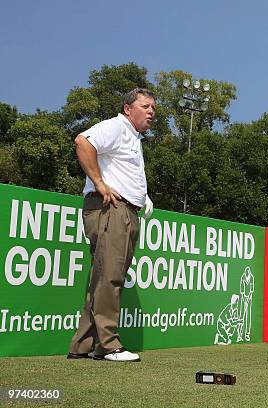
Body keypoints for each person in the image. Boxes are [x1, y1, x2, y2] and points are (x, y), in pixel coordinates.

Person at [67, 88, 156, 362]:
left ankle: (83, 345)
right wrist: (100, 183)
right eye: (146, 106)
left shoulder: (134, 138)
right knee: (110, 277)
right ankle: (108, 345)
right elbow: (83, 142)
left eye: (153, 107)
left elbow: (123, 170)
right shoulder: (117, 126)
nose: (152, 111)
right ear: (128, 109)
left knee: (105, 276)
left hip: (125, 210)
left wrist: (143, 196)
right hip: (110, 209)